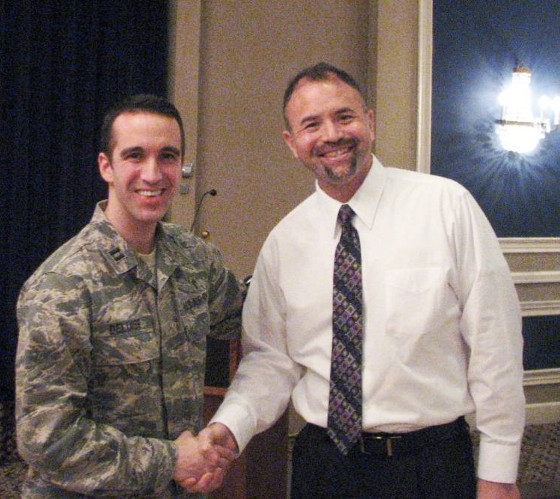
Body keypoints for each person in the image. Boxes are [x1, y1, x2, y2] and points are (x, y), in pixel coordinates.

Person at [202, 63, 525, 498]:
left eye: (345, 117)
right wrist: (230, 424)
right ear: (292, 143)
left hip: (430, 466)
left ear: (370, 122)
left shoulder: (446, 207)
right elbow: (271, 361)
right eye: (311, 124)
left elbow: (495, 346)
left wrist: (499, 474)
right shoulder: (283, 243)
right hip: (323, 467)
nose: (331, 134)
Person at [15, 94, 244, 498]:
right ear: (107, 165)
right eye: (135, 155)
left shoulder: (193, 259)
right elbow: (48, 440)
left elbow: (247, 315)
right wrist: (171, 460)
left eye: (168, 156)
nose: (153, 174)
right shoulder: (62, 285)